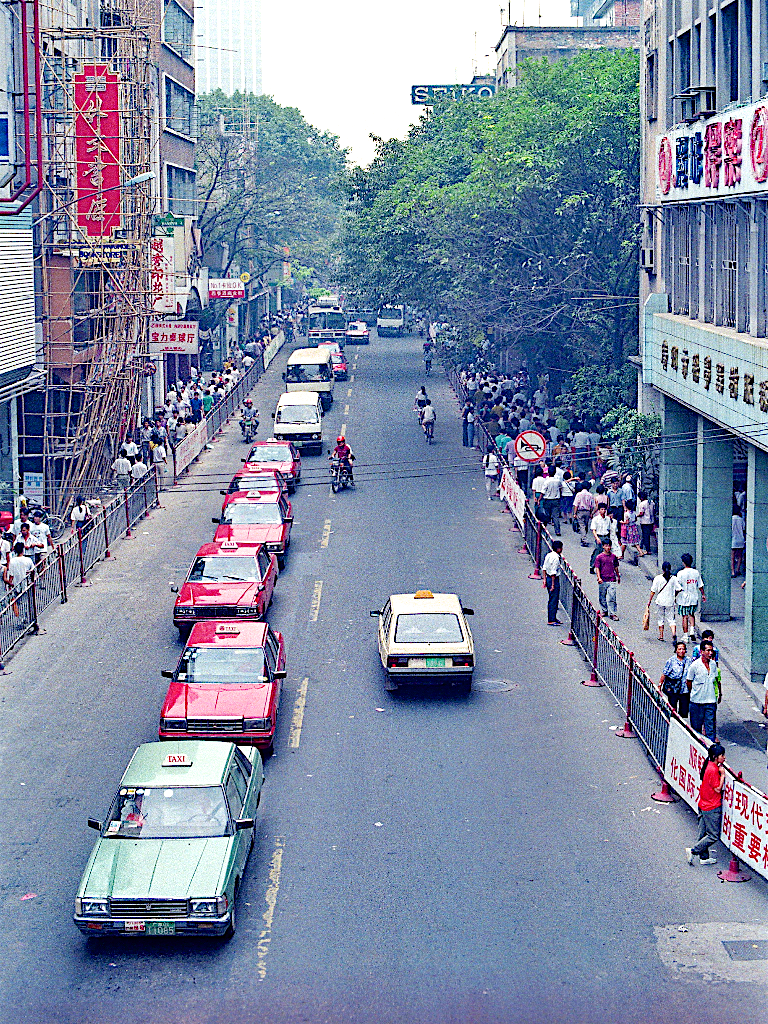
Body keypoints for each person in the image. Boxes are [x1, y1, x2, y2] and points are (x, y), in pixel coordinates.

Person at [686, 742, 726, 866]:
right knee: (713, 835)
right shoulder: (713, 770)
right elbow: (718, 789)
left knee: (702, 833)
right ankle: (694, 851)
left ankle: (704, 858)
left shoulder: (708, 765)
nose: (724, 758)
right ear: (715, 757)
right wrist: (723, 775)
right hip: (711, 807)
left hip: (703, 804)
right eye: (722, 755)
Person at [686, 640, 720, 741]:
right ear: (702, 652)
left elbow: (716, 680)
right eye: (708, 650)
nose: (710, 653)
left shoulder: (713, 664)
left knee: (710, 729)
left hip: (710, 702)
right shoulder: (694, 666)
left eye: (711, 651)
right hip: (696, 703)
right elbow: (689, 682)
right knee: (696, 731)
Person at [647, 562, 682, 642]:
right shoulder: (674, 578)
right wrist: (674, 596)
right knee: (671, 619)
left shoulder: (658, 578)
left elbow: (653, 591)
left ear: (662, 569)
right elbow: (679, 589)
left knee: (660, 618)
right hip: (670, 602)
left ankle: (661, 635)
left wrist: (649, 601)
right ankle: (673, 633)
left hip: (660, 601)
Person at [677, 553, 705, 643]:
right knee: (691, 614)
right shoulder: (696, 572)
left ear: (683, 562)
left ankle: (685, 635)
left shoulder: (680, 573)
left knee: (684, 616)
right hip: (694, 597)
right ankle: (692, 630)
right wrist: (703, 594)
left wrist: (674, 596)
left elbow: (678, 587)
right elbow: (700, 585)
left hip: (683, 598)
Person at [659, 641, 692, 717]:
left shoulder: (688, 661)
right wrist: (659, 686)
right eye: (679, 649)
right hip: (673, 688)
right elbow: (665, 673)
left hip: (685, 690)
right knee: (672, 709)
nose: (681, 651)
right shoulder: (671, 661)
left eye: (683, 649)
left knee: (684, 711)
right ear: (676, 650)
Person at [595, 537, 620, 619]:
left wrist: (618, 576)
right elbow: (597, 568)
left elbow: (616, 567)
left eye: (609, 546)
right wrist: (599, 578)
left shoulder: (613, 557)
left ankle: (613, 613)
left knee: (612, 596)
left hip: (612, 579)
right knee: (602, 596)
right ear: (603, 546)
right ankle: (604, 610)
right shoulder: (599, 557)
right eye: (606, 546)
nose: (607, 548)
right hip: (603, 579)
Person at [542, 539, 563, 626]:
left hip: (548, 578)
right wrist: (553, 585)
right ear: (559, 549)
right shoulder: (556, 558)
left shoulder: (549, 555)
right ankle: (551, 619)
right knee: (553, 600)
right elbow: (553, 572)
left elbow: (544, 568)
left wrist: (544, 580)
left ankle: (553, 617)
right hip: (553, 579)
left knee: (553, 599)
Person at [589, 505, 611, 572]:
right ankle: (592, 566)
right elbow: (593, 530)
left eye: (604, 509)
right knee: (597, 552)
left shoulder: (608, 519)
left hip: (606, 536)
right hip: (599, 536)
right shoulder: (596, 519)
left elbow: (609, 529)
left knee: (606, 553)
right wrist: (597, 538)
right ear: (599, 510)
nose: (603, 511)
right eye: (601, 509)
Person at [540, 471, 562, 536]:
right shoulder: (558, 481)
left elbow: (543, 491)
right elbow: (560, 488)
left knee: (546, 515)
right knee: (556, 516)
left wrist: (539, 500)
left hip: (547, 500)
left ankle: (543, 529)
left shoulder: (547, 481)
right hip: (556, 500)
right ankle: (557, 531)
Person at [636, 489, 654, 556]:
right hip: (651, 521)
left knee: (645, 536)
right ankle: (642, 546)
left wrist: (636, 516)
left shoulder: (642, 504)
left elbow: (641, 513)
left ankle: (648, 550)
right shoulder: (651, 502)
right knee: (647, 535)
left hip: (644, 522)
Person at [731, 503, 746, 576]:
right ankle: (738, 569)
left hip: (733, 540)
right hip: (740, 539)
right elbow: (743, 528)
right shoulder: (741, 519)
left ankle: (733, 571)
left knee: (732, 556)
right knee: (740, 556)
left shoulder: (731, 519)